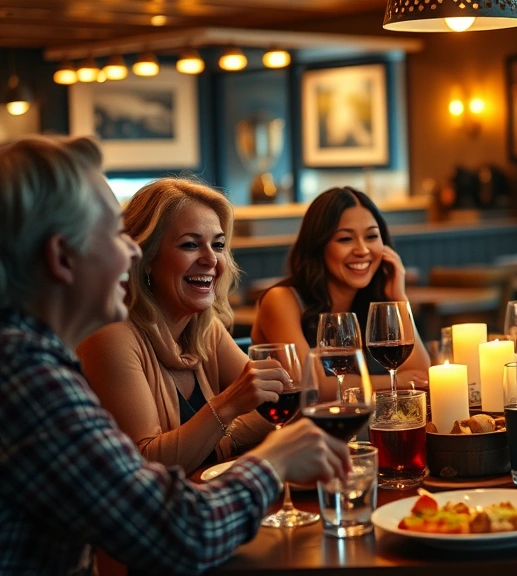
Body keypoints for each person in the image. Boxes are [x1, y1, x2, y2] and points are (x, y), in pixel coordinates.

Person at [0, 135, 351, 575]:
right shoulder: (26, 376)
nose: (131, 250)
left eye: (218, 245)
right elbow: (180, 533)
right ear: (61, 257)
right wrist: (274, 460)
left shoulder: (32, 358)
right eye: (114, 233)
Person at [78, 177, 281, 475]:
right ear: (144, 257)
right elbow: (144, 462)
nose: (211, 259)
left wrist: (215, 438)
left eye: (219, 245)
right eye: (190, 245)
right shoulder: (112, 335)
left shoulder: (203, 328)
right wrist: (226, 407)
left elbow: (276, 407)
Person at [251, 186, 429, 390]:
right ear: (318, 246)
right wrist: (396, 381)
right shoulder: (281, 299)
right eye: (345, 239)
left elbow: (422, 375)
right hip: (280, 422)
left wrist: (399, 298)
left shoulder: (371, 301)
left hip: (354, 421)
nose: (362, 250)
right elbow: (314, 387)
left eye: (371, 237)